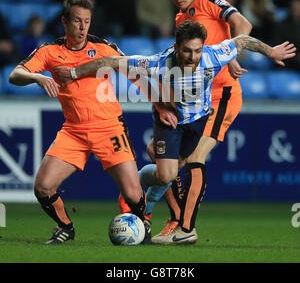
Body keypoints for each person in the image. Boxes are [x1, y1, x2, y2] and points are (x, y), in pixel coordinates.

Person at [53, 20, 296, 244]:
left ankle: (147, 187)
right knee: (167, 175)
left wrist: (271, 51)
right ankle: (137, 186)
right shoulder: (157, 63)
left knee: (170, 172)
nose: (193, 57)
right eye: (188, 51)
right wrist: (74, 73)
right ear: (176, 47)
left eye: (198, 50)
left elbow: (242, 40)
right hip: (169, 119)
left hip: (199, 120)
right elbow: (112, 62)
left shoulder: (213, 56)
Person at [8, 0, 149, 245]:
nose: (83, 27)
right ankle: (65, 227)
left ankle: (142, 228)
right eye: (77, 21)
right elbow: (15, 75)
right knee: (42, 187)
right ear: (64, 21)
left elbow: (134, 69)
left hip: (109, 128)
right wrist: (38, 78)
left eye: (87, 21)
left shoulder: (103, 47)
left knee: (133, 194)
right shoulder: (50, 51)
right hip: (74, 131)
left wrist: (160, 101)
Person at [135, 0, 253, 241]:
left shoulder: (209, 0)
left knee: (196, 158)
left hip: (221, 94)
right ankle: (168, 214)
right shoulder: (180, 20)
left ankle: (185, 228)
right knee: (159, 155)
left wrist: (233, 55)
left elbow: (243, 23)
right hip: (194, 102)